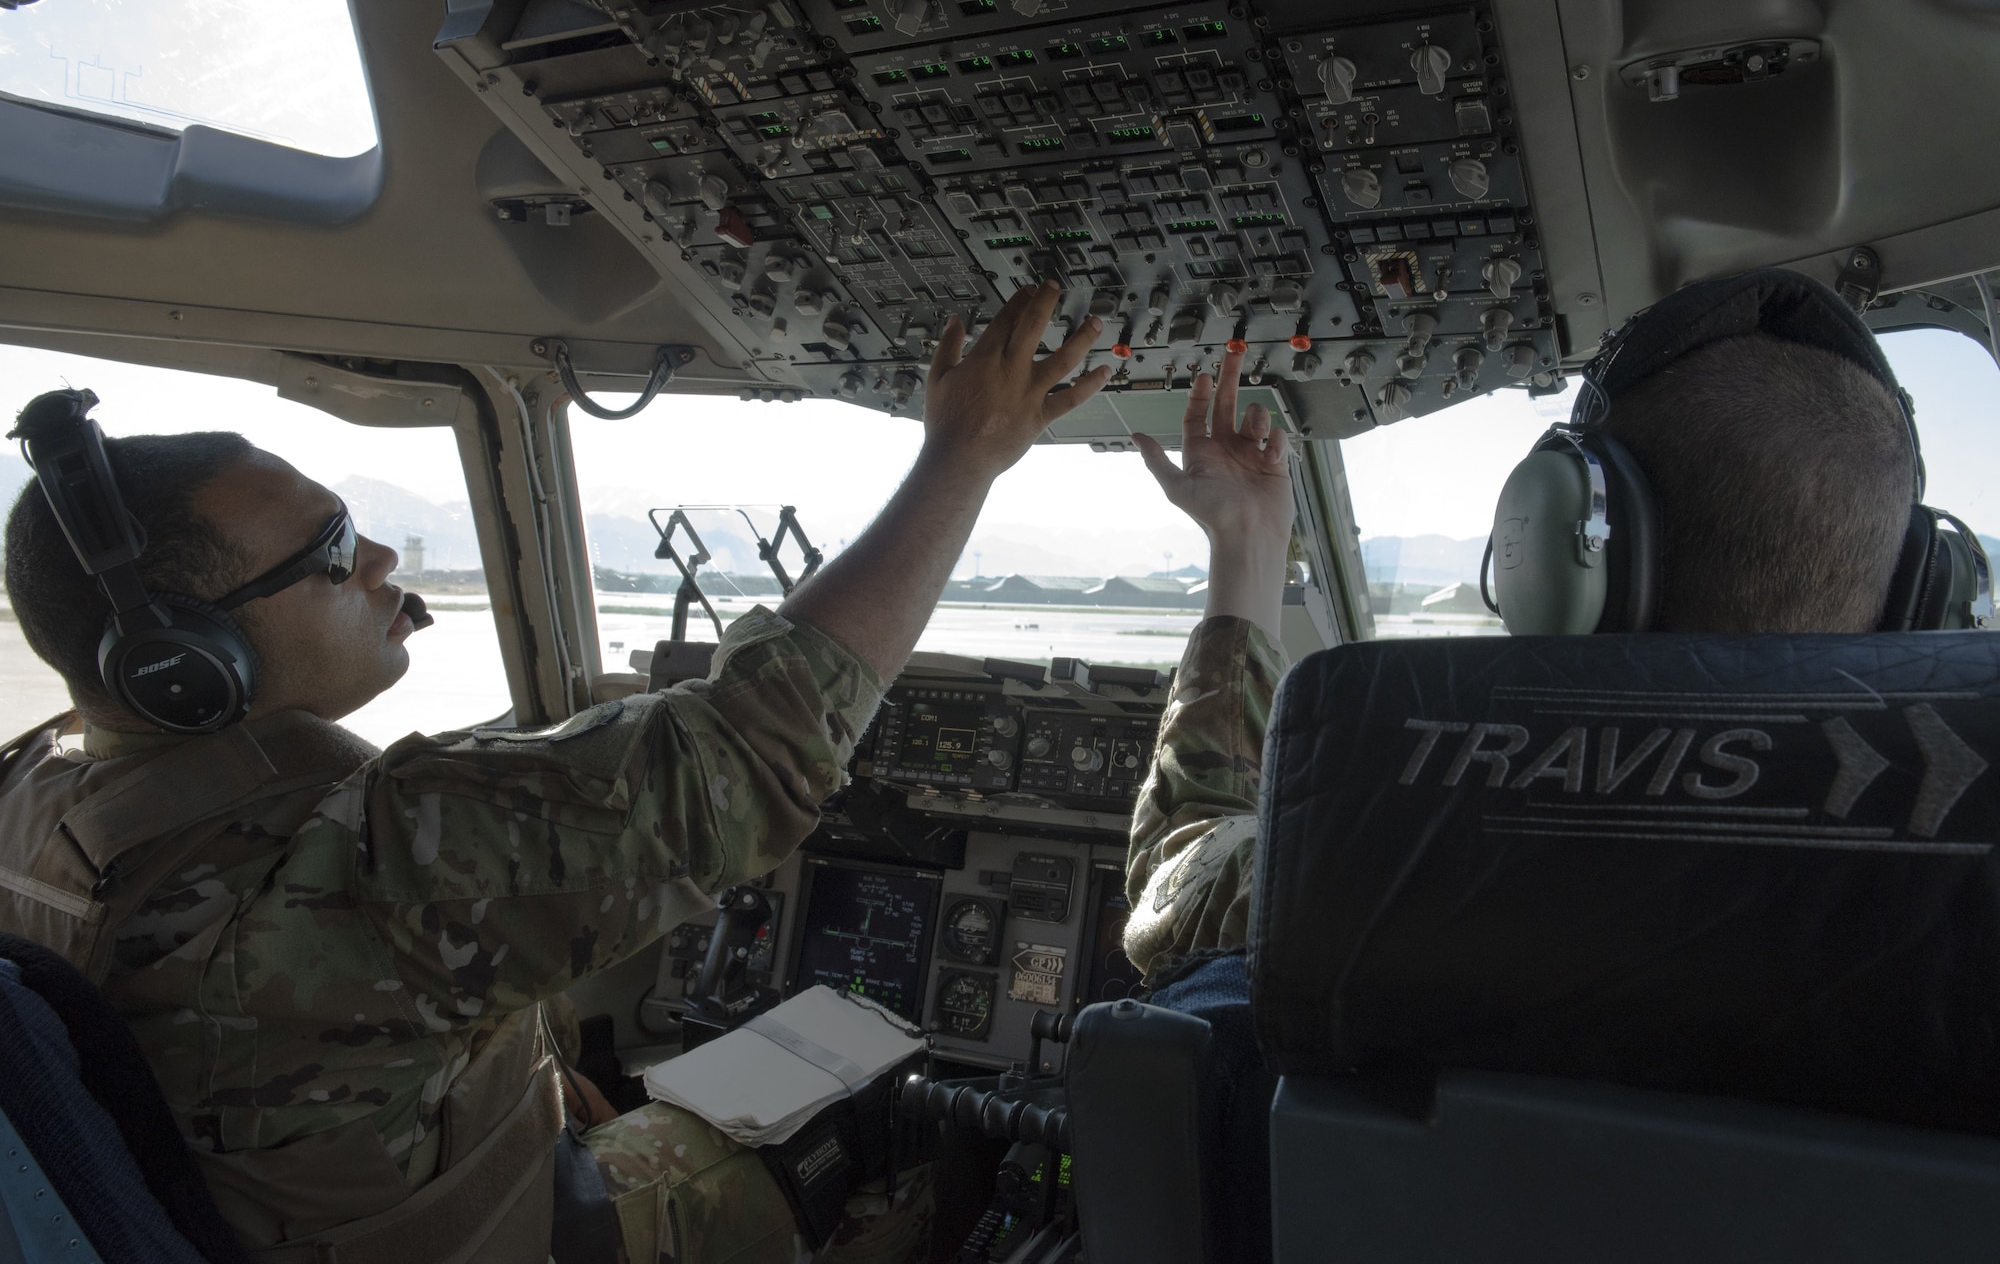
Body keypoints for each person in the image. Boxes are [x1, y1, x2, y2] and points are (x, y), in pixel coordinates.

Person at [0, 280, 1111, 1264]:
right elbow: (751, 748)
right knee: (884, 1126)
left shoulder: (33, 799)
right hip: (495, 1230)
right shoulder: (351, 861)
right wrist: (963, 454)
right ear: (187, 665)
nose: (383, 558)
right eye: (333, 552)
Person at [1119, 282, 1920, 1259]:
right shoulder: (1944, 932)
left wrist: (1242, 544)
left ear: (1553, 551)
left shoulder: (1379, 861)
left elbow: (1182, 871)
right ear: (1919, 589)